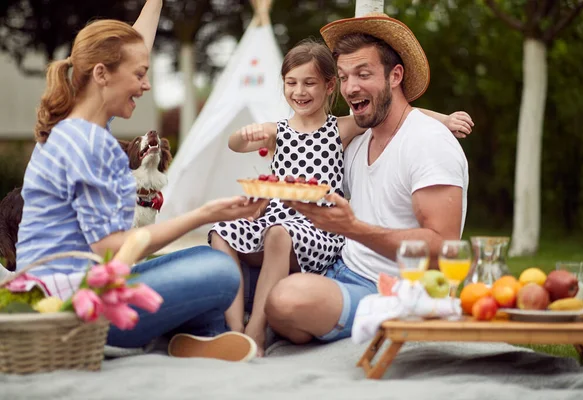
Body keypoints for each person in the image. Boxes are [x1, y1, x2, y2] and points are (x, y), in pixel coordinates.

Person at [15, 1, 267, 362]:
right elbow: (114, 251)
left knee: (204, 257)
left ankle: (196, 339)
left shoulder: (76, 127)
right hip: (69, 309)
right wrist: (204, 214)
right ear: (101, 74)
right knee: (221, 270)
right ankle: (201, 333)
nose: (146, 85)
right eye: (140, 75)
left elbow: (131, 48)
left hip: (74, 288)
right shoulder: (89, 143)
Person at [209, 38, 472, 355]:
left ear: (395, 76)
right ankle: (231, 334)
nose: (350, 87)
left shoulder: (427, 142)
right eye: (345, 76)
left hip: (384, 285)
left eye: (363, 74)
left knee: (285, 298)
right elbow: (291, 171)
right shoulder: (361, 138)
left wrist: (351, 228)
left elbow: (444, 248)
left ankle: (255, 337)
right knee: (205, 277)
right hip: (333, 265)